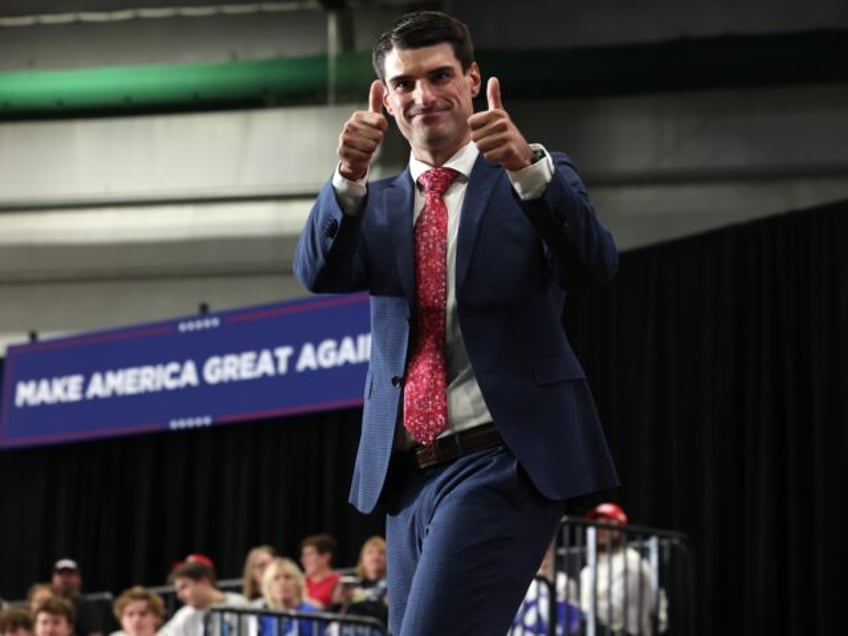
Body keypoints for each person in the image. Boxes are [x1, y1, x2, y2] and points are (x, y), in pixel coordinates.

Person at [292, 9, 618, 635]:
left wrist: (527, 165)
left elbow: (594, 266)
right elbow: (317, 272)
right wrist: (347, 181)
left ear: (472, 80)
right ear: (386, 101)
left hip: (503, 457)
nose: (423, 95)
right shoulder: (374, 203)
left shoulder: (532, 175)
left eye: (438, 75)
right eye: (404, 84)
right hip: (407, 474)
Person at [578, 503, 667, 635]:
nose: (600, 529)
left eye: (607, 523)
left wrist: (576, 612)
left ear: (619, 528)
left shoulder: (631, 563)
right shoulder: (588, 571)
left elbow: (616, 612)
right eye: (596, 524)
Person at [158, 559, 249, 636]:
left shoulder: (239, 605)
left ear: (203, 582)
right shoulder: (185, 614)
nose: (179, 596)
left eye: (184, 587)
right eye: (178, 591)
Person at [255, 557, 323, 636]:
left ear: (298, 583)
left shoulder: (311, 614)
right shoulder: (264, 617)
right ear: (268, 587)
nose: (282, 583)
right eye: (276, 578)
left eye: (288, 577)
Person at [333, 536, 387, 627]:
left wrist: (360, 598)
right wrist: (337, 602)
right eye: (370, 552)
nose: (375, 557)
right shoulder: (354, 583)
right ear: (362, 559)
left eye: (381, 553)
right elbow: (333, 613)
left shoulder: (391, 587)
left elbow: (386, 614)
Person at [50, 559, 103, 636]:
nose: (65, 578)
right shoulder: (46, 604)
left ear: (79, 579)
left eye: (70, 574)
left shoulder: (87, 606)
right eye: (61, 574)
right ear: (53, 578)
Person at [299, 535, 341, 609]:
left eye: (309, 555)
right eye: (304, 555)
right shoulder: (299, 581)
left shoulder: (338, 582)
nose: (304, 560)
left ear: (325, 557)